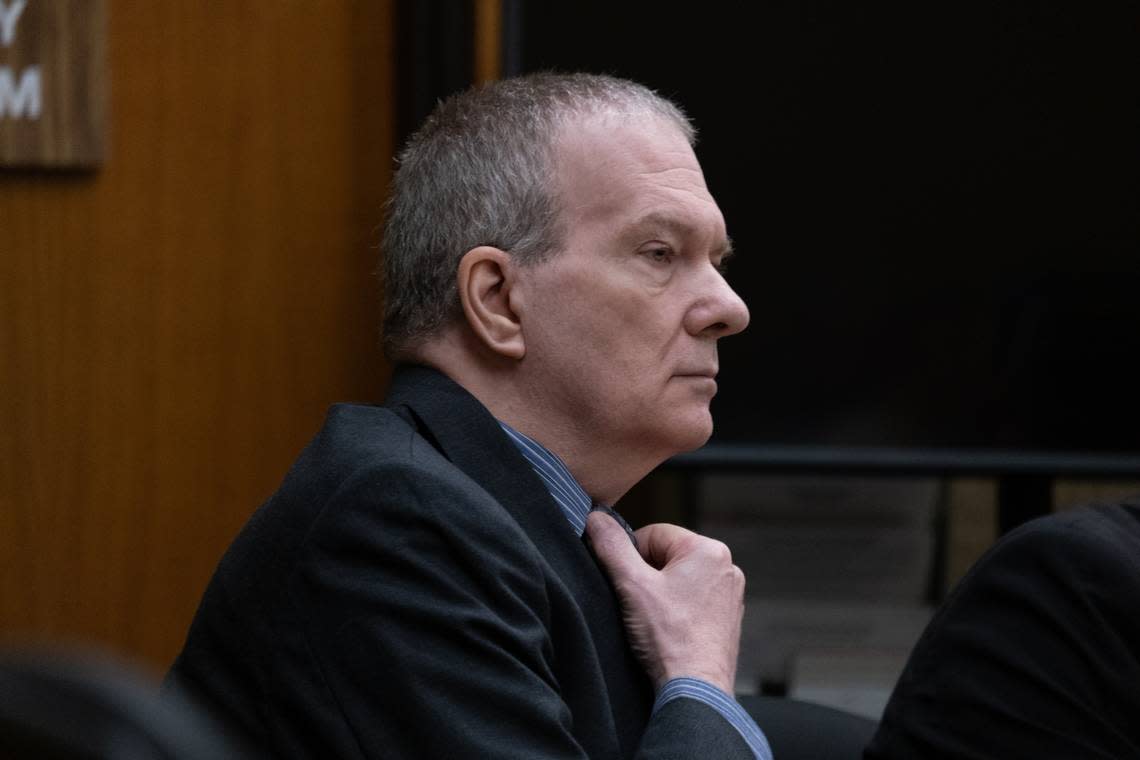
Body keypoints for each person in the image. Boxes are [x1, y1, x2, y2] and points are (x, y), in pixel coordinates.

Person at [167, 72, 770, 759]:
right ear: (497, 301)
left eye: (716, 261)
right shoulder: (397, 523)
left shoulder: (510, 511)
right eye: (660, 253)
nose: (729, 307)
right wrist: (698, 678)